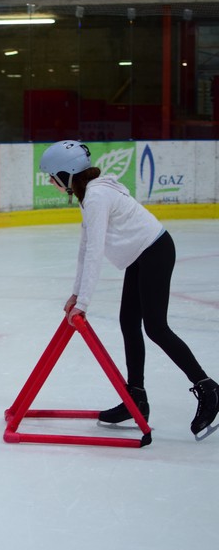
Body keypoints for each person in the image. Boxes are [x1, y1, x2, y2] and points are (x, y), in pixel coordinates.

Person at [39, 140, 219, 439]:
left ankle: (208, 388)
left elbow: (96, 251)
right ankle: (136, 397)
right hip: (143, 254)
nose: (49, 181)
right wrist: (75, 293)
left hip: (154, 251)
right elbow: (86, 247)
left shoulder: (96, 196)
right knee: (128, 322)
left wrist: (83, 302)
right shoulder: (91, 193)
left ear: (64, 172)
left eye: (51, 175)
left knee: (156, 328)